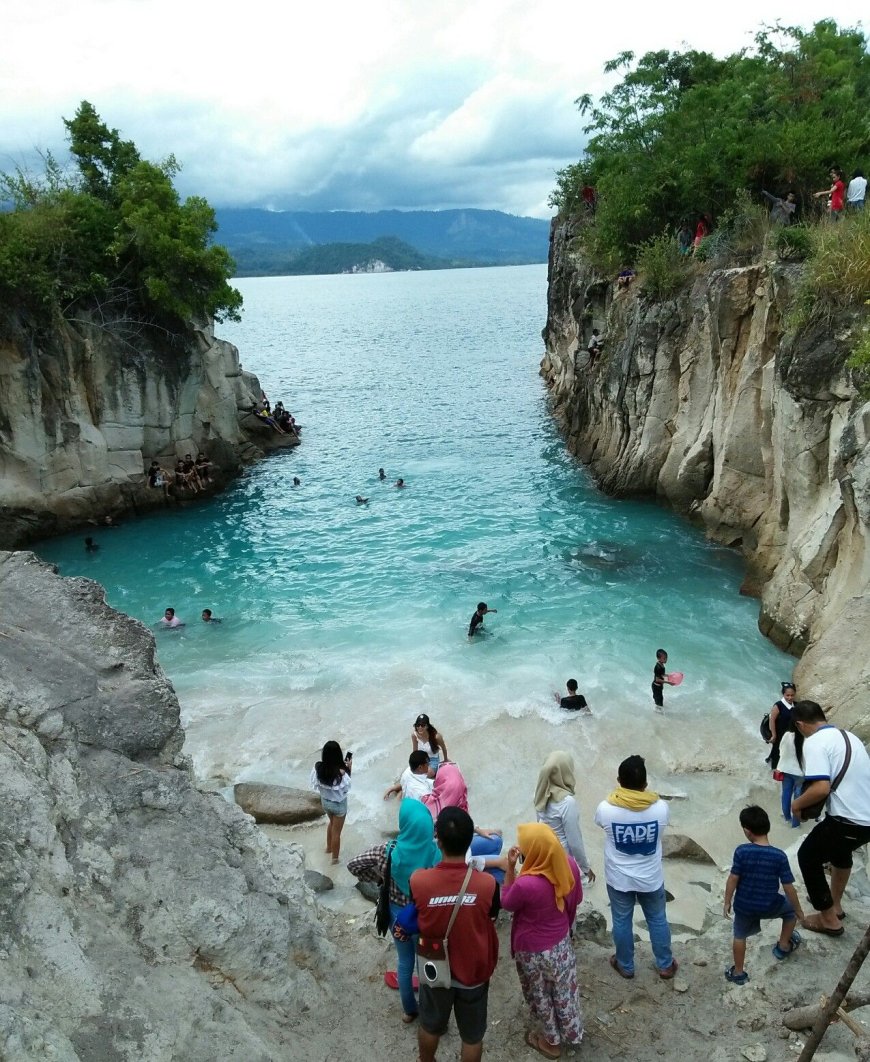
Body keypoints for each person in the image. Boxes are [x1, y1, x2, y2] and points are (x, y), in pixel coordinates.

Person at [408, 807, 500, 1062]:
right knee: (472, 1037)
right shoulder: (488, 884)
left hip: (435, 968)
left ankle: (425, 1060)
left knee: (430, 1025)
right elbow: (492, 916)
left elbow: (415, 912)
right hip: (473, 971)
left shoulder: (419, 881)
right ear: (471, 840)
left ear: (437, 840)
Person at [348, 798, 440, 1024]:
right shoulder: (435, 852)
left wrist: (379, 877)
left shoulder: (387, 851)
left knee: (405, 961)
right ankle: (431, 1011)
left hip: (398, 917)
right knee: (425, 962)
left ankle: (409, 1011)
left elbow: (354, 865)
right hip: (424, 917)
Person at [501, 822, 584, 1058]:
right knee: (563, 990)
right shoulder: (567, 865)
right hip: (560, 944)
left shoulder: (527, 883)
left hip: (534, 950)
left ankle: (551, 1042)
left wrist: (509, 867)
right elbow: (574, 899)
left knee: (541, 994)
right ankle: (571, 1032)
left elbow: (506, 902)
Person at [790, 700, 870, 935]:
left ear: (800, 724)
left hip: (849, 820)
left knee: (807, 856)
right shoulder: (848, 736)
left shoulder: (814, 742)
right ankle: (835, 905)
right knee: (840, 853)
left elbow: (821, 788)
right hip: (866, 819)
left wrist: (796, 805)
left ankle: (829, 920)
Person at [595, 754, 677, 979]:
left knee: (621, 921)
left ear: (619, 781)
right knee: (658, 919)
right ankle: (665, 964)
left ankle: (626, 965)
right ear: (645, 784)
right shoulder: (660, 808)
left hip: (619, 878)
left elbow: (600, 824)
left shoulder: (606, 809)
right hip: (650, 877)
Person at [723, 805, 803, 985]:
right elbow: (788, 887)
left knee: (739, 935)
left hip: (744, 906)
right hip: (769, 904)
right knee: (789, 913)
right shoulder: (779, 856)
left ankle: (738, 973)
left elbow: (733, 878)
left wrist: (727, 901)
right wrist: (798, 910)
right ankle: (783, 946)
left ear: (747, 831)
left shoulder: (742, 851)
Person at [534, 751, 596, 887]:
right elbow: (574, 842)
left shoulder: (541, 793)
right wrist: (586, 869)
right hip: (561, 858)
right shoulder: (567, 802)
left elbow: (539, 823)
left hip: (543, 853)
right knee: (584, 881)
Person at [310, 741, 352, 865]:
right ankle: (335, 859)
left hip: (325, 803)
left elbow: (315, 783)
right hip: (339, 806)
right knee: (337, 833)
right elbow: (346, 787)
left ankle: (328, 848)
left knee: (332, 824)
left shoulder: (318, 768)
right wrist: (349, 769)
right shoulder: (341, 773)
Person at [777, 719, 804, 828]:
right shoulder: (805, 738)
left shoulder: (787, 735)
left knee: (786, 794)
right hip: (800, 773)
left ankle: (787, 817)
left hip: (786, 769)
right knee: (798, 799)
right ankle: (796, 824)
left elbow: (781, 750)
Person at [765, 681, 796, 770]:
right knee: (777, 752)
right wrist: (773, 735)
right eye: (787, 695)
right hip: (779, 734)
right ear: (783, 694)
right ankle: (773, 771)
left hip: (790, 735)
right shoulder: (778, 705)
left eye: (792, 695)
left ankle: (772, 765)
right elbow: (772, 720)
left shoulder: (796, 705)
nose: (790, 697)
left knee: (786, 753)